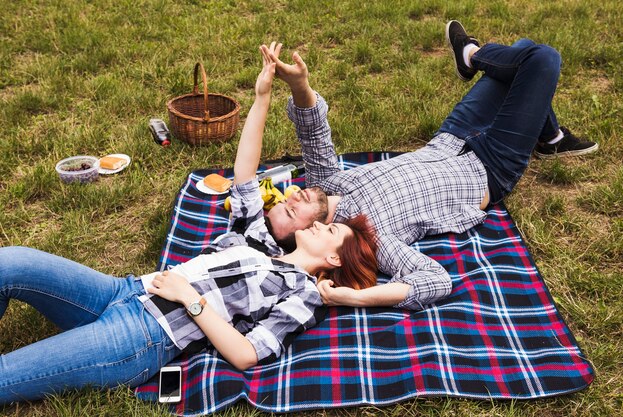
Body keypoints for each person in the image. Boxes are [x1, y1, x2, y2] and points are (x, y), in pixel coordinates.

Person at [0, 43, 378, 405]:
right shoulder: (263, 241)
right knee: (10, 262)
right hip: (122, 292)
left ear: (335, 260)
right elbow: (245, 174)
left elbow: (247, 354)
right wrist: (262, 95)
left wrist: (191, 300)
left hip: (143, 336)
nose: (319, 226)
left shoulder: (304, 295)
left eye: (330, 230)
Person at [260, 21, 599, 311]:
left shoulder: (325, 182)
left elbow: (312, 127)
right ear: (308, 235)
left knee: (521, 53)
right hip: (489, 167)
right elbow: (434, 281)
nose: (291, 197)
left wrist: (298, 84)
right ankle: (471, 56)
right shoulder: (369, 238)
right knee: (539, 59)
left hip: (451, 138)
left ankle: (550, 138)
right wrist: (352, 298)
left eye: (282, 203)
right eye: (291, 214)